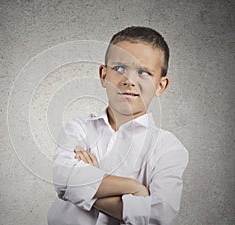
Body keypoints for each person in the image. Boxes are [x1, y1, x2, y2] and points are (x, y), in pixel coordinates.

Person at [47, 26, 189, 225]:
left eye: (143, 72)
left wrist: (89, 182)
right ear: (103, 75)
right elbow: (63, 179)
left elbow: (160, 215)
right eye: (119, 68)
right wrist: (134, 188)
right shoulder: (78, 129)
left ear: (160, 86)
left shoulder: (168, 148)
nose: (129, 80)